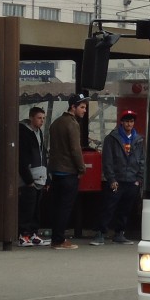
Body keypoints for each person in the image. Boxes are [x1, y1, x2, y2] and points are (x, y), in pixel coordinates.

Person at [93, 110, 144, 245]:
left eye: (131, 121)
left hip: (132, 180)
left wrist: (139, 179)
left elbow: (142, 160)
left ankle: (119, 233)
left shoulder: (138, 139)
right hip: (117, 180)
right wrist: (111, 179)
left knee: (125, 209)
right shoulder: (112, 138)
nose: (129, 123)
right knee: (109, 207)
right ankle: (100, 233)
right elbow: (107, 161)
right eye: (127, 121)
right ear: (121, 122)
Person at [48, 93, 88, 249]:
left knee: (56, 207)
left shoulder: (56, 123)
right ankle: (59, 239)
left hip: (56, 171)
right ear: (73, 107)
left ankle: (55, 237)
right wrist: (81, 168)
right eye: (82, 107)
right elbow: (75, 149)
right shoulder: (72, 124)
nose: (84, 110)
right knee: (65, 207)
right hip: (68, 172)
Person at [17, 106, 49, 247]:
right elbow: (22, 158)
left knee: (36, 208)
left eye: (43, 118)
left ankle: (33, 233)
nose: (41, 121)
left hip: (40, 175)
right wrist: (28, 179)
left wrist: (47, 176)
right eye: (39, 118)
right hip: (29, 178)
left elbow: (43, 155)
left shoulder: (39, 133)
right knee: (27, 208)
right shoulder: (24, 133)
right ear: (31, 118)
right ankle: (23, 235)